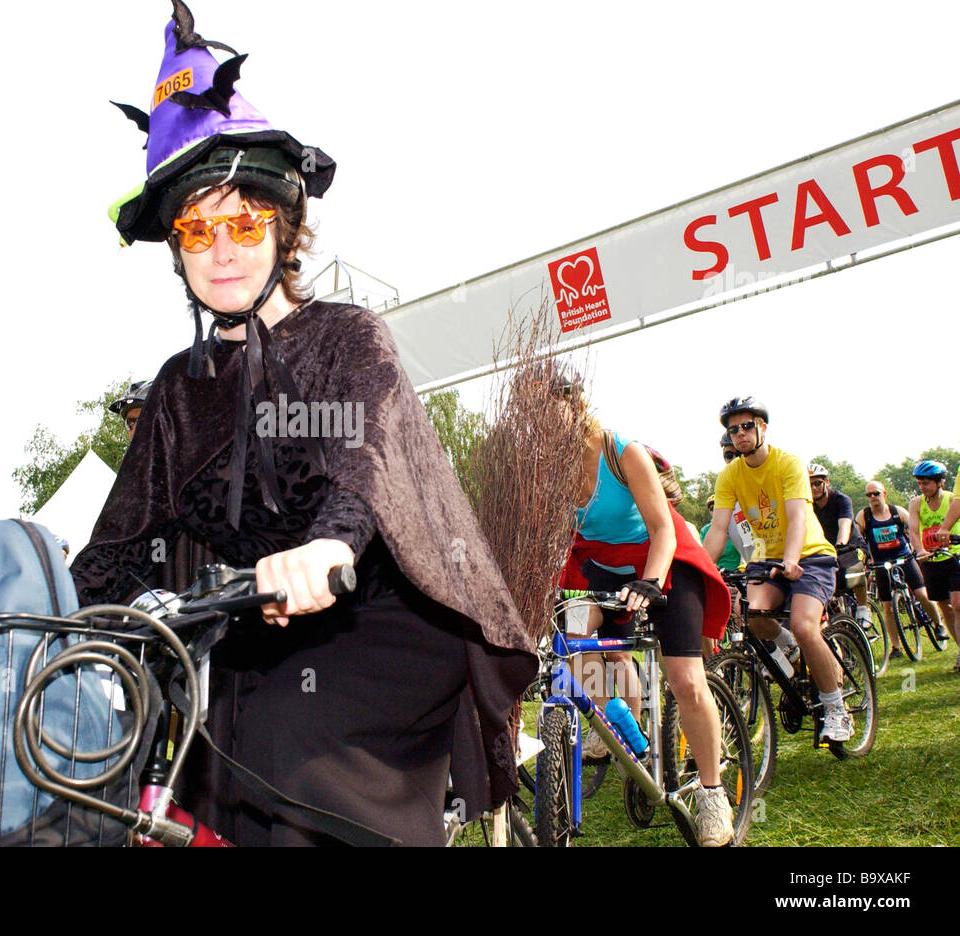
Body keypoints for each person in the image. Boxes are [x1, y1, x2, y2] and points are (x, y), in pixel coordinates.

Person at [70, 2, 536, 846]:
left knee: (291, 759)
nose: (222, 249)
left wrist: (327, 548)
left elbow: (365, 463)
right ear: (175, 249)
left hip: (377, 621)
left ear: (283, 228)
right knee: (175, 779)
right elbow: (116, 543)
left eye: (244, 223)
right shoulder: (179, 389)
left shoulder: (346, 336)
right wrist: (46, 610)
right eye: (197, 228)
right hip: (247, 631)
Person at [555, 370, 735, 845]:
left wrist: (652, 583)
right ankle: (617, 723)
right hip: (603, 569)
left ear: (574, 403)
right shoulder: (546, 462)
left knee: (684, 678)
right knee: (572, 633)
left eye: (545, 406)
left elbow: (663, 527)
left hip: (662, 560)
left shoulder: (621, 451)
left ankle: (713, 793)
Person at [702, 397, 854, 743]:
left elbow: (799, 516)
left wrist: (791, 559)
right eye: (732, 430)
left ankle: (835, 709)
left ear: (762, 428)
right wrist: (699, 567)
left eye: (746, 426)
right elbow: (718, 529)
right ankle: (793, 651)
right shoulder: (729, 476)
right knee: (752, 618)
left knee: (803, 624)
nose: (739, 435)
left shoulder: (788, 463)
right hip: (764, 557)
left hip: (809, 555)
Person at [856, 480, 934, 661]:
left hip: (904, 558)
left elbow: (915, 530)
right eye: (869, 495)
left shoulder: (898, 512)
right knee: (888, 607)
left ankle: (939, 625)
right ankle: (896, 647)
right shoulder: (864, 516)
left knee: (922, 594)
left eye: (876, 493)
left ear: (884, 493)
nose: (873, 498)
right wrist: (863, 557)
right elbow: (858, 537)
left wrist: (919, 548)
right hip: (881, 564)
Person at [807, 463, 874, 631]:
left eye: (817, 483)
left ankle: (863, 607)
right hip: (826, 549)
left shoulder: (841, 500)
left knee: (854, 566)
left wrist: (840, 544)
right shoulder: (808, 505)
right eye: (809, 484)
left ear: (826, 482)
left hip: (850, 545)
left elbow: (844, 525)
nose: (814, 488)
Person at [908, 461, 960, 670]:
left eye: (927, 483)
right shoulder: (916, 503)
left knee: (957, 604)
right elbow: (913, 530)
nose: (922, 487)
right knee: (946, 607)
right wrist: (919, 550)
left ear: (939, 482)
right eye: (920, 483)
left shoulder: (952, 499)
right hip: (931, 560)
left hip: (954, 555)